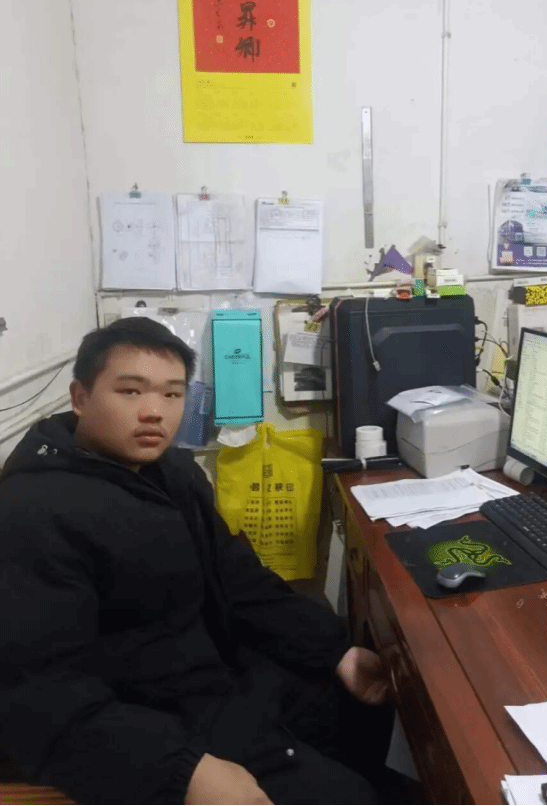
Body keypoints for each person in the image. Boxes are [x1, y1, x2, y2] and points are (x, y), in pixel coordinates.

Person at [0, 318, 394, 805]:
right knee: (348, 796)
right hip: (155, 723)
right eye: (130, 391)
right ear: (80, 397)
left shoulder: (172, 472)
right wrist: (182, 772)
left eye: (172, 394)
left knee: (374, 710)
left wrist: (333, 651)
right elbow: (42, 692)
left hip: (222, 678)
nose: (154, 412)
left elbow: (240, 581)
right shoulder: (32, 513)